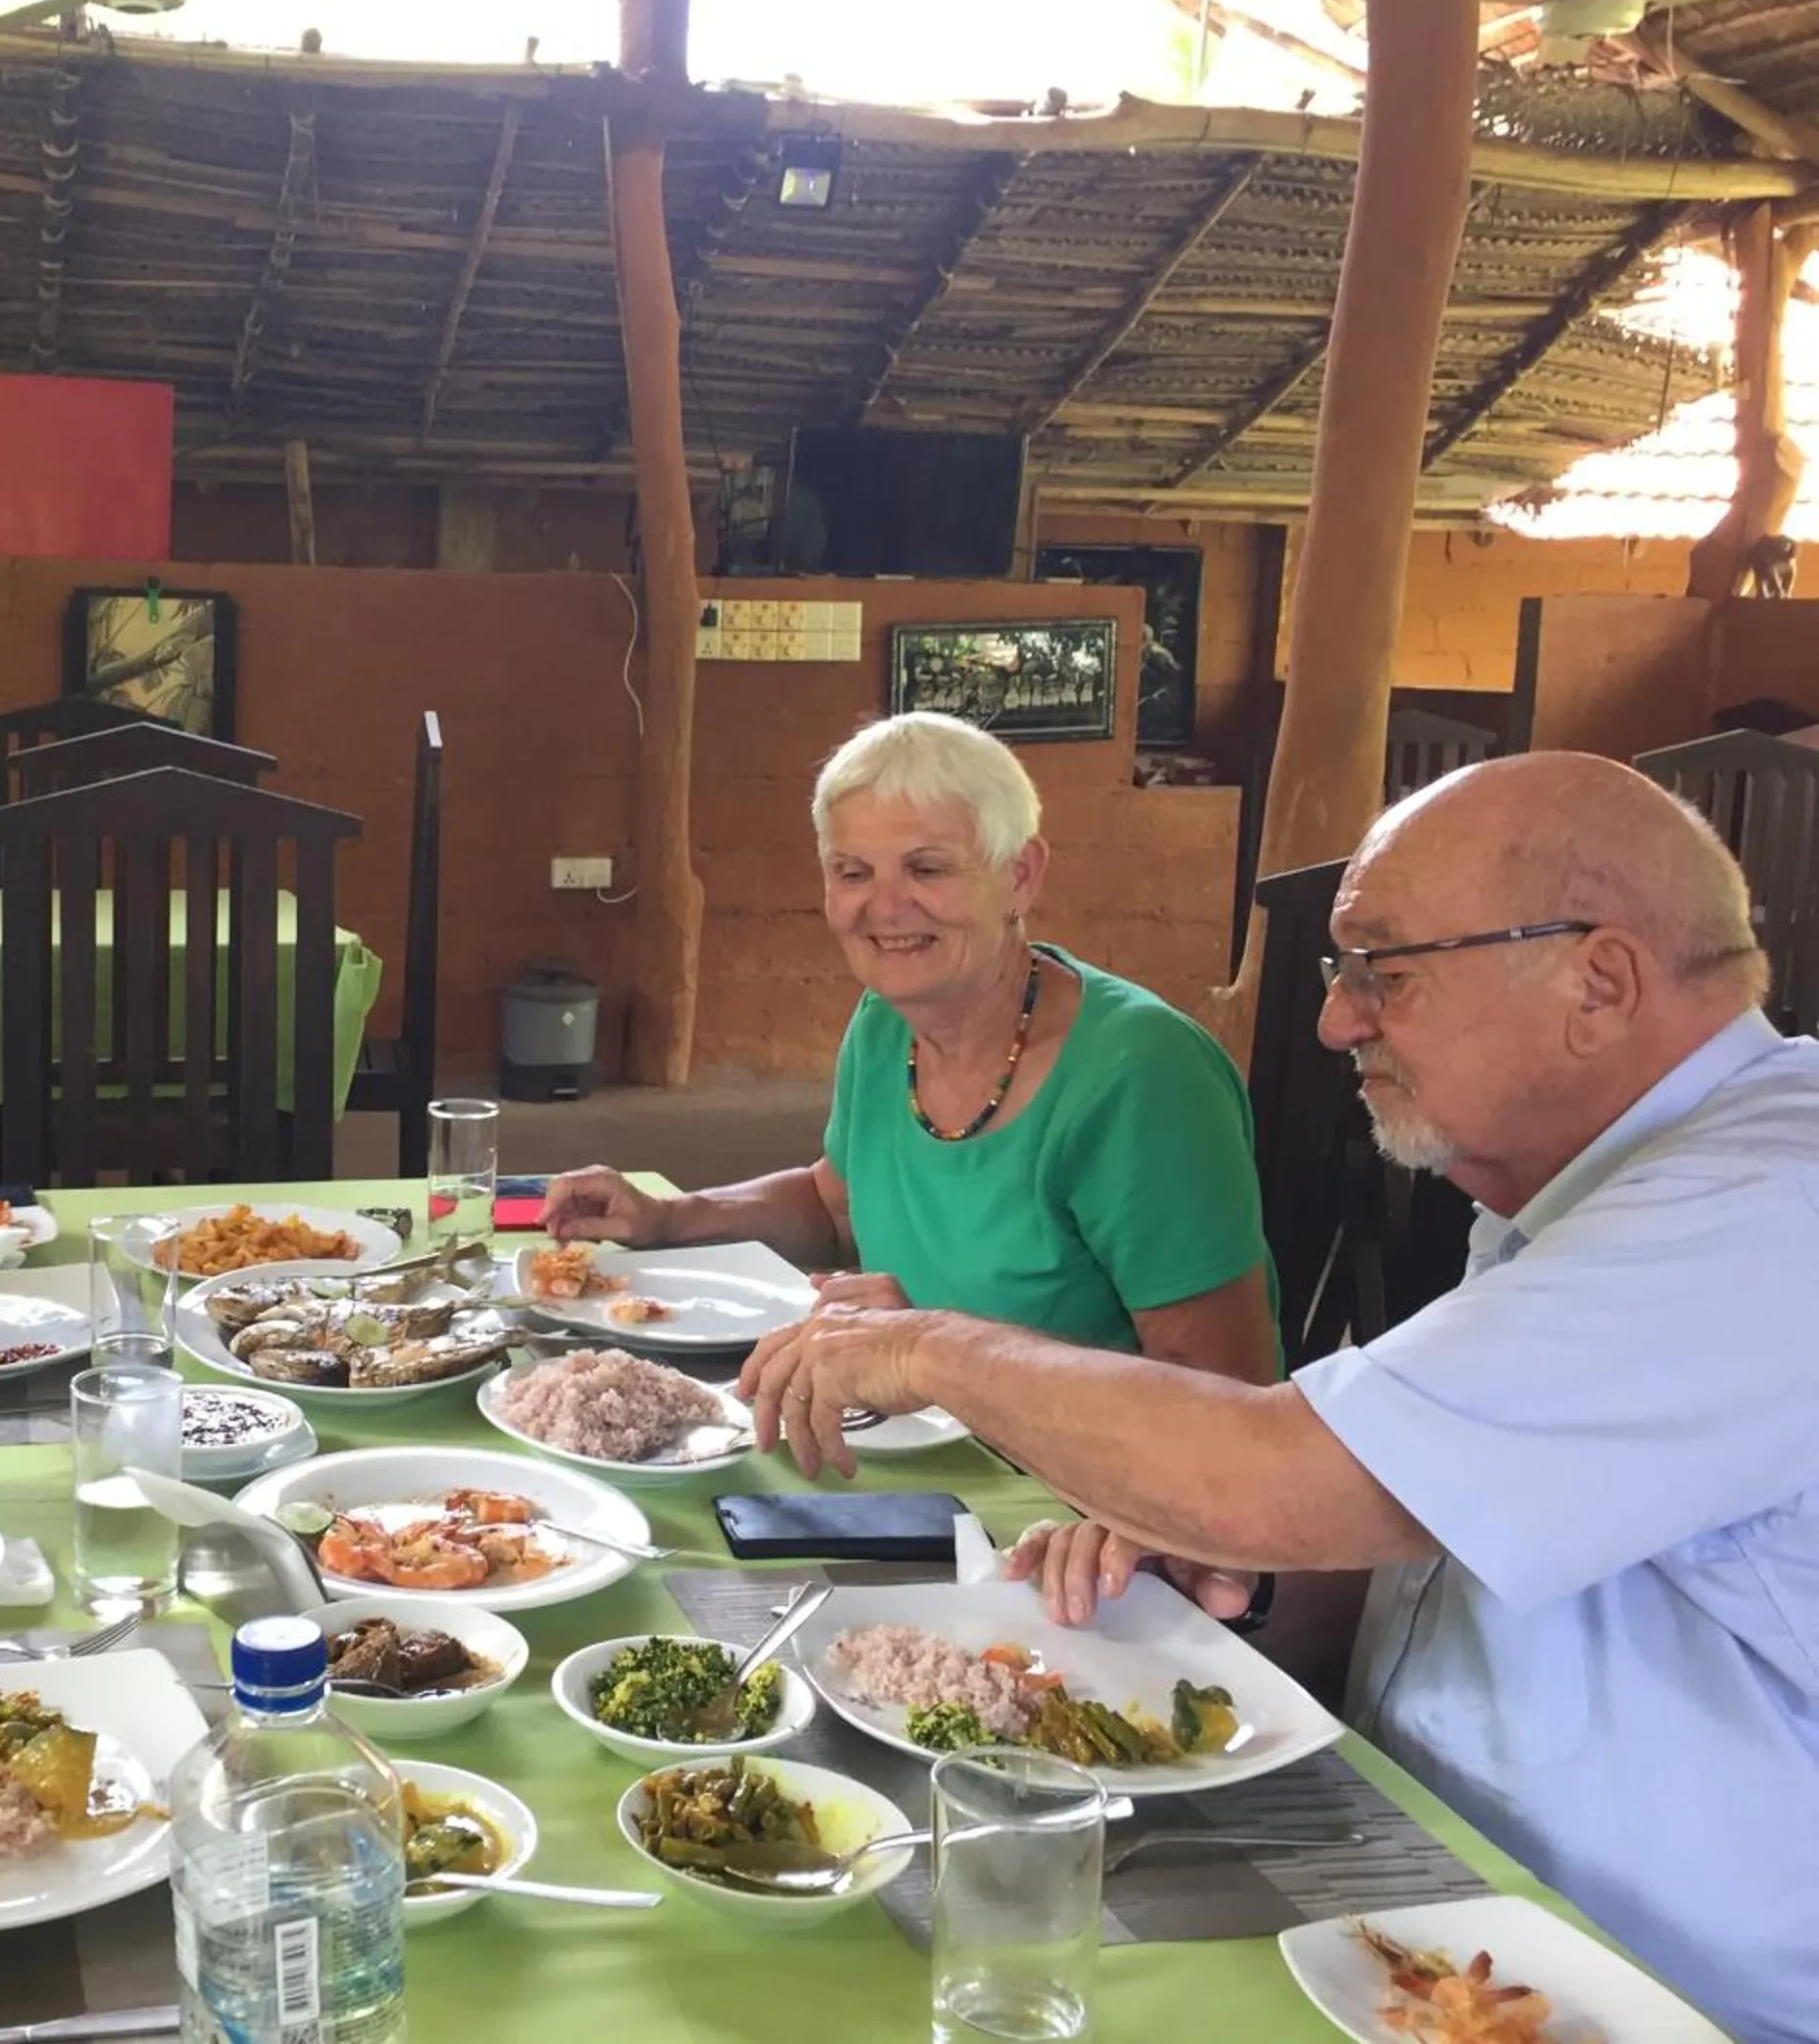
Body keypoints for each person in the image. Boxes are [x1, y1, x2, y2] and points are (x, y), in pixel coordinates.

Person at [740, 751, 1817, 2044]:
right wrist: (1231, 1566)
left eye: (1386, 971)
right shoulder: (1563, 1189)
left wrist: (935, 1353)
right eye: (1340, 972)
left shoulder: (1762, 1211)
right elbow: (1413, 1537)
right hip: (1407, 1883)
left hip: (1638, 1987)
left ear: (1600, 979)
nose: (1336, 1022)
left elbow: (1285, 1467)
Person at [547, 710, 1274, 1378]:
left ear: (1020, 875)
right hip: (910, 1438)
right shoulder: (884, 1024)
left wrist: (937, 1354)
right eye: (853, 872)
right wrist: (665, 1218)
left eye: (927, 868)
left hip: (1070, 1502)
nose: (885, 907)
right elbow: (835, 1208)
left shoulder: (1143, 1076)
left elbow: (1223, 1392)